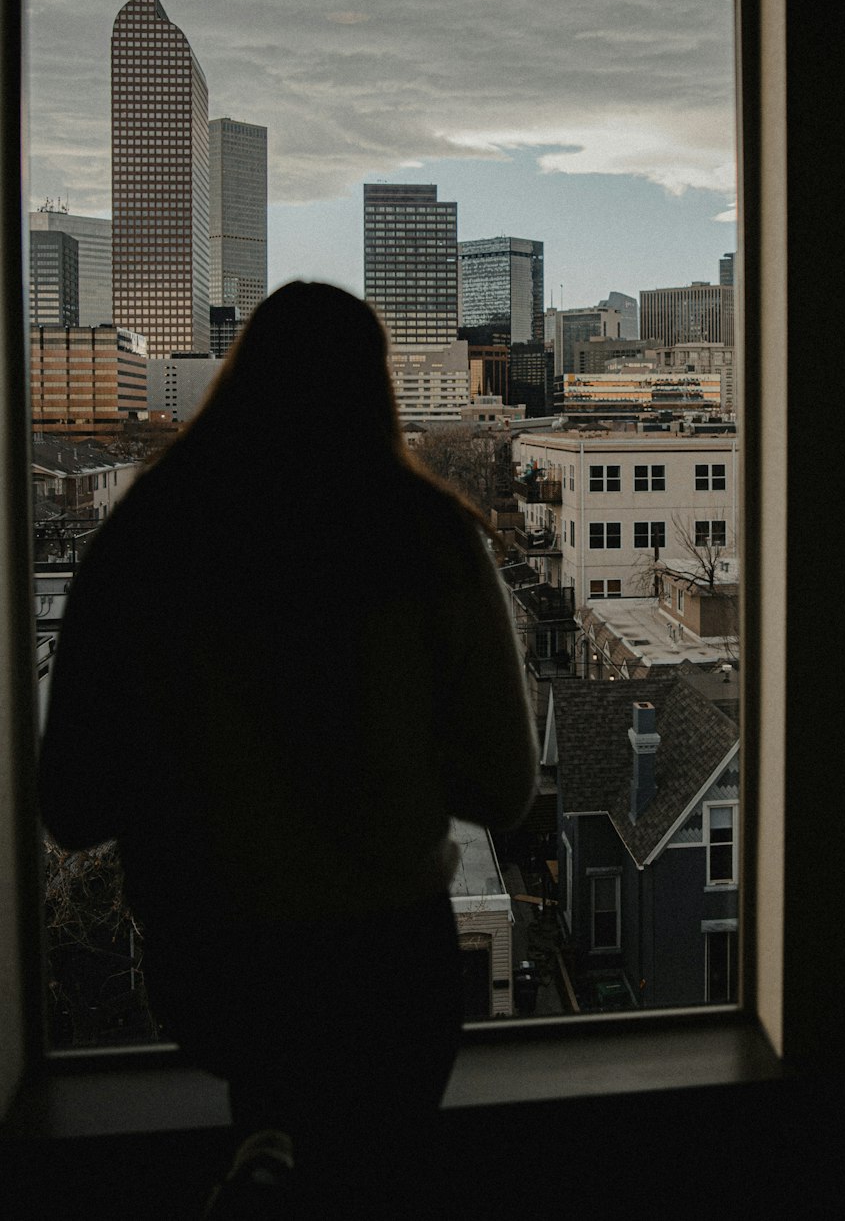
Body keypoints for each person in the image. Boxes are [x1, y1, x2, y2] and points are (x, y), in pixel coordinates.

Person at [39, 282, 538, 1216]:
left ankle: (265, 1150)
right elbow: (506, 791)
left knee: (277, 1111)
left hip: (213, 967)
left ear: (232, 381)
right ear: (379, 392)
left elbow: (71, 805)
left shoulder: (145, 538)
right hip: (386, 970)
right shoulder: (431, 544)